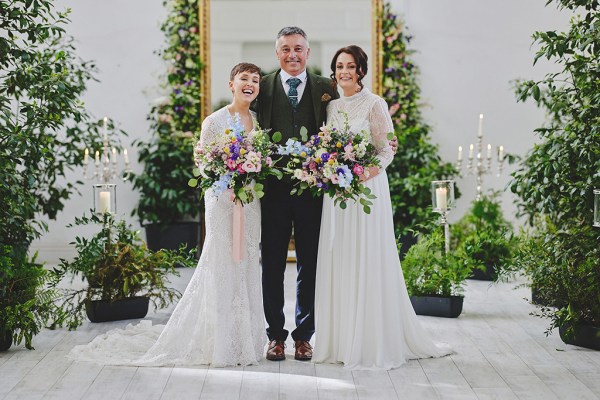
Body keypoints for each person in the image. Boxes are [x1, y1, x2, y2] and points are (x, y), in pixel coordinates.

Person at [68, 63, 265, 367]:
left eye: (255, 80)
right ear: (231, 84)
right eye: (244, 79)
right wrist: (226, 176)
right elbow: (203, 161)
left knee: (248, 262)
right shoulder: (214, 121)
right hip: (223, 201)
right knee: (221, 264)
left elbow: (260, 161)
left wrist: (248, 171)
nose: (250, 84)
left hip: (249, 202)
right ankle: (219, 343)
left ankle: (245, 342)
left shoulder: (258, 121)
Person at [312, 45, 451, 370]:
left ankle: (369, 340)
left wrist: (359, 175)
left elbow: (385, 150)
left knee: (366, 256)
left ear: (361, 70)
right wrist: (329, 170)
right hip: (337, 195)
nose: (344, 71)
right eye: (339, 66)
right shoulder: (331, 107)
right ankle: (341, 340)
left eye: (350, 66)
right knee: (341, 257)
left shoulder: (375, 104)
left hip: (365, 192)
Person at [255, 27, 338, 361]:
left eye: (299, 49)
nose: (292, 54)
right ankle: (275, 336)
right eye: (286, 49)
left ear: (308, 52)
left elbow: (344, 125)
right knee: (271, 264)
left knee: (311, 264)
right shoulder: (262, 85)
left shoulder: (325, 87)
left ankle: (304, 336)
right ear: (277, 53)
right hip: (272, 190)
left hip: (313, 190)